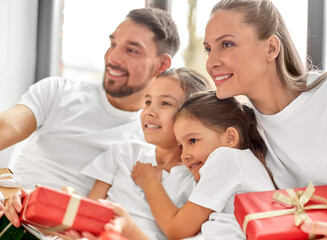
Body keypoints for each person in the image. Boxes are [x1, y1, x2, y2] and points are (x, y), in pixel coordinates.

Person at [204, 0, 327, 238]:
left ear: (271, 48)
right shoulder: (242, 135)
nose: (211, 62)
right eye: (208, 49)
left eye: (227, 44)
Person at [0, 7, 179, 197]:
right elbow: (7, 126)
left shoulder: (152, 139)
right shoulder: (57, 91)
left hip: (69, 222)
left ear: (162, 65)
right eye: (113, 44)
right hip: (10, 206)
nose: (112, 58)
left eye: (131, 50)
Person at [78, 68, 211, 239]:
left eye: (165, 103)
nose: (149, 111)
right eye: (147, 102)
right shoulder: (123, 153)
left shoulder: (197, 177)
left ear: (195, 116)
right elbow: (87, 213)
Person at [131, 91, 276, 239]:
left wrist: (150, 183)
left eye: (192, 141)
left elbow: (177, 229)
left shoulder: (227, 158)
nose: (184, 155)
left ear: (230, 138)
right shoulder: (241, 163)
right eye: (181, 146)